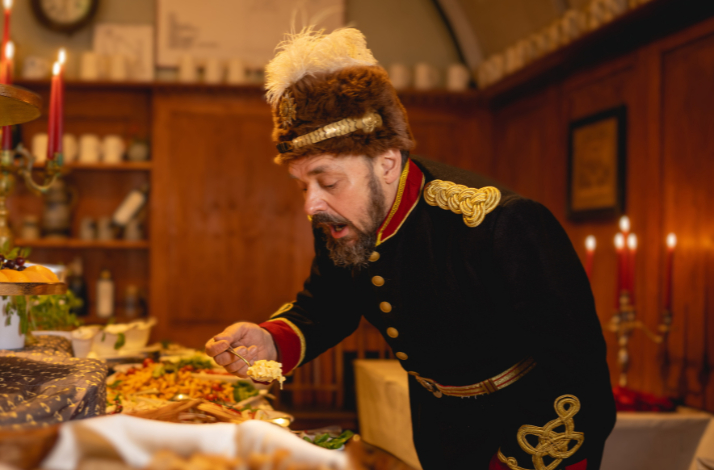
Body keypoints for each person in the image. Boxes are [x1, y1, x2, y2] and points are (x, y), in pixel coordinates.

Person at [205, 28, 616, 470]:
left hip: (526, 432)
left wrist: (516, 460)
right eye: (303, 185)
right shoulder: (344, 218)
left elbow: (577, 372)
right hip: (439, 427)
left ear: (386, 163)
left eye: (327, 182)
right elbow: (328, 305)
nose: (312, 203)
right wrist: (271, 340)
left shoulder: (500, 222)